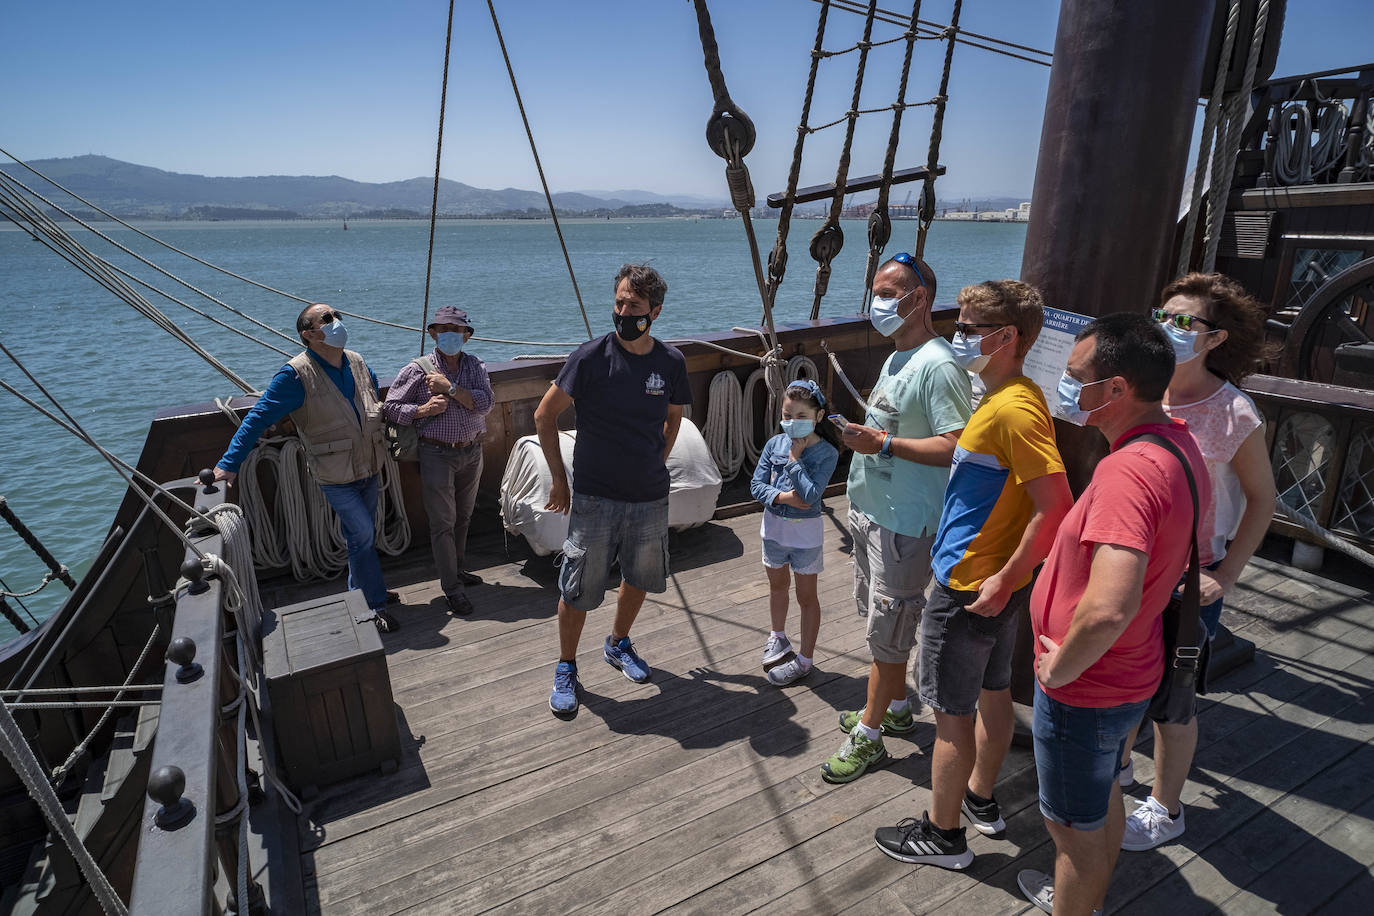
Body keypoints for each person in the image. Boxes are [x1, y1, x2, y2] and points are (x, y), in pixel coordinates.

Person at [1017, 312, 1211, 916]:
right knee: (1102, 794)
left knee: (1070, 828)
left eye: (1077, 378)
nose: (1066, 388)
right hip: (1130, 670)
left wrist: (1058, 670)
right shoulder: (1177, 441)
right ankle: (1088, 900)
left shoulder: (1127, 472)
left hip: (1087, 685)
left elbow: (1108, 608)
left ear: (1117, 389)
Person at [874, 281, 1072, 868]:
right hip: (992, 583)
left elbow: (1056, 505)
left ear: (1006, 337)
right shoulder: (1013, 393)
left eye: (968, 327)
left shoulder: (1012, 409)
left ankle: (943, 834)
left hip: (970, 585)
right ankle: (981, 798)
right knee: (991, 693)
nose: (958, 336)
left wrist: (1008, 575)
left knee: (949, 714)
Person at [1116, 273, 1276, 850]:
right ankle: (1121, 768)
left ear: (1215, 338)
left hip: (1190, 577)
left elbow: (1263, 498)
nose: (1170, 329)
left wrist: (1225, 575)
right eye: (1164, 315)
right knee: (1128, 678)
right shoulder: (1138, 389)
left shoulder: (1233, 411)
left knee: (1173, 699)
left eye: (1187, 322)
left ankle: (1166, 806)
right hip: (1131, 563)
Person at [821, 252, 972, 784]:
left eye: (889, 292)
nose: (877, 302)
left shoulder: (940, 364)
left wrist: (882, 443)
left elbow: (957, 445)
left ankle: (869, 733)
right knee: (877, 619)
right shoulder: (896, 357)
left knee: (890, 630)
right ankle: (898, 707)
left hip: (906, 524)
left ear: (920, 299)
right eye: (876, 291)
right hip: (870, 513)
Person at [535, 264, 691, 718]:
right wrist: (560, 479)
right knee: (578, 586)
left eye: (634, 306)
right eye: (620, 302)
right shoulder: (589, 358)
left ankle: (618, 643)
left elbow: (673, 421)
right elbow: (545, 416)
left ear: (654, 312)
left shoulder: (671, 363)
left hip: (648, 496)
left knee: (640, 577)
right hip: (595, 497)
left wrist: (652, 465)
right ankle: (566, 666)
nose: (623, 311)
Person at [214, 303, 401, 632]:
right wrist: (229, 464)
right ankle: (374, 605)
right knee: (361, 534)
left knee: (362, 537)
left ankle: (362, 589)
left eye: (338, 316)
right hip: (334, 475)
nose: (337, 323)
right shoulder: (295, 375)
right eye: (328, 319)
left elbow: (374, 401)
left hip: (369, 466)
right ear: (309, 334)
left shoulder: (356, 361)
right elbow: (257, 418)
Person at [381, 305, 494, 618]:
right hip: (437, 453)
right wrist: (421, 411)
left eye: (456, 331)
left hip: (472, 451)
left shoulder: (475, 366)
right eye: (443, 330)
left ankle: (457, 570)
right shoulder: (418, 369)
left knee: (464, 517)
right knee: (442, 523)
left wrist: (451, 389)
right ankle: (452, 588)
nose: (450, 336)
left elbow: (485, 405)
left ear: (466, 336)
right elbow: (389, 407)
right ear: (432, 333)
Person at [748, 379, 842, 687]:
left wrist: (793, 460)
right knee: (777, 586)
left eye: (801, 417)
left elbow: (812, 496)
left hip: (805, 537)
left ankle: (805, 659)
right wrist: (786, 498)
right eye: (787, 415)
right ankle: (777, 637)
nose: (792, 422)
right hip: (773, 531)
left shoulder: (827, 453)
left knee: (806, 596)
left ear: (818, 416)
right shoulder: (774, 443)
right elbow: (756, 487)